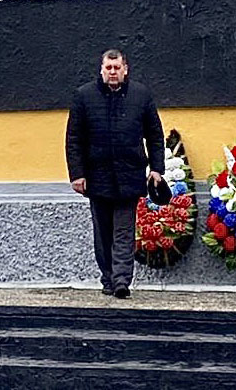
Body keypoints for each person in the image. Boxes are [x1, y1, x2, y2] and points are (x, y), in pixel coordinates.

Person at [65, 48, 165, 299]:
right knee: (103, 232)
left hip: (129, 175)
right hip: (97, 176)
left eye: (117, 68)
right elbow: (74, 139)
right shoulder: (84, 96)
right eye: (108, 68)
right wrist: (77, 174)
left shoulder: (141, 95)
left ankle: (121, 280)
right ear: (101, 70)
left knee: (123, 231)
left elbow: (155, 135)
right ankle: (108, 277)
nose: (112, 72)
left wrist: (156, 169)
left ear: (125, 69)